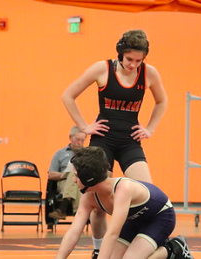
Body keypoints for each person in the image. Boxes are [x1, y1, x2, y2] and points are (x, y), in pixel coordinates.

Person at [62, 29, 168, 257]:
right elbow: (68, 95)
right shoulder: (103, 69)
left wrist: (150, 128)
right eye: (129, 59)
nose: (133, 65)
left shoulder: (149, 73)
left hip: (130, 142)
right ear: (120, 54)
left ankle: (149, 246)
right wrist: (84, 126)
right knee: (95, 203)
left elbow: (161, 101)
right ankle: (98, 251)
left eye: (139, 60)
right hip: (103, 141)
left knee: (149, 195)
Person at [55, 146, 194, 259]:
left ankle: (174, 249)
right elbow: (74, 232)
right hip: (134, 220)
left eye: (76, 176)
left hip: (160, 217)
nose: (73, 180)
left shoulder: (123, 189)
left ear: (88, 178)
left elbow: (112, 233)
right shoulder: (89, 196)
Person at [47, 126, 86, 219]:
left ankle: (62, 209)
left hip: (82, 182)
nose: (79, 143)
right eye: (77, 139)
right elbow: (51, 175)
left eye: (82, 140)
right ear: (70, 137)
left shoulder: (87, 154)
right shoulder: (59, 153)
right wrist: (67, 174)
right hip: (63, 182)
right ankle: (79, 215)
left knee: (76, 177)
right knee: (73, 174)